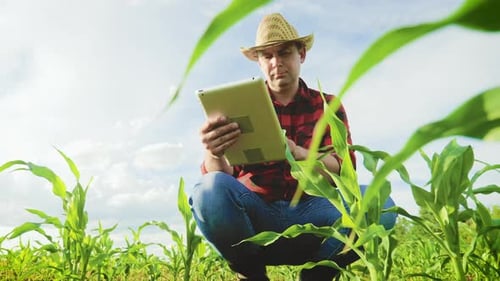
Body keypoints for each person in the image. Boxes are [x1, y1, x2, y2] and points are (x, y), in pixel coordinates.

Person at [190, 13, 397, 281]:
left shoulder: (327, 106)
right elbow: (220, 183)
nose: (276, 63)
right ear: (260, 62)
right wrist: (213, 151)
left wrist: (298, 153)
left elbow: (344, 171)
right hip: (257, 210)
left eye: (284, 52)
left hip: (315, 210)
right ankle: (252, 275)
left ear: (301, 54)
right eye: (267, 56)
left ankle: (317, 276)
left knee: (380, 205)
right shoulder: (238, 106)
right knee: (208, 189)